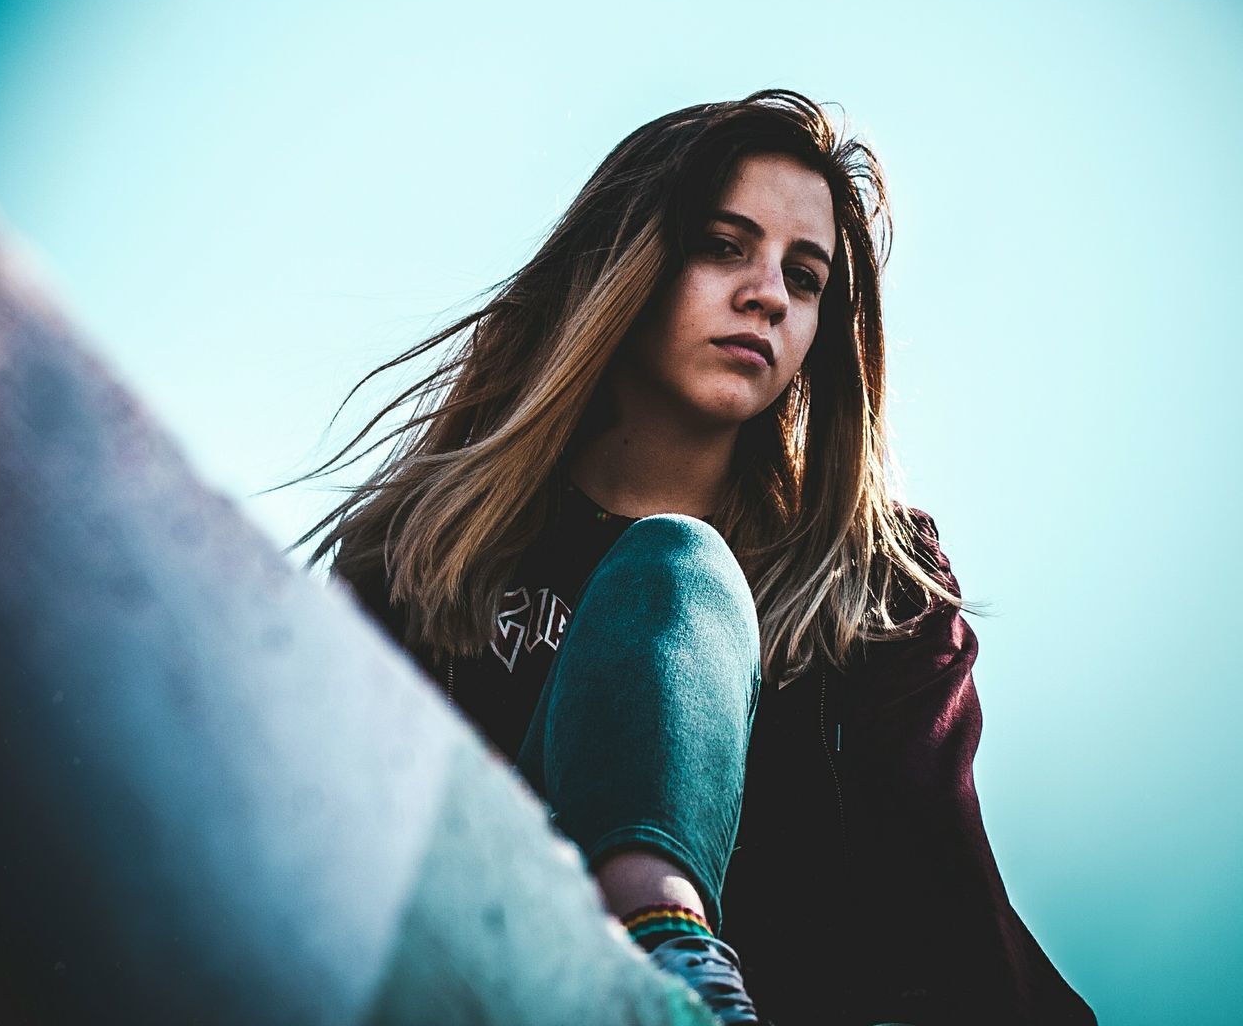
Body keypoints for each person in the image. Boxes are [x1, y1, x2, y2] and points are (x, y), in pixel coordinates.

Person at [303, 90, 1095, 1025]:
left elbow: (945, 897)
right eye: (724, 246)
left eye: (805, 279)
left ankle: (678, 980)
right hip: (462, 988)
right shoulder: (425, 549)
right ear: (625, 261)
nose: (768, 293)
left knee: (676, 569)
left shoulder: (874, 592)